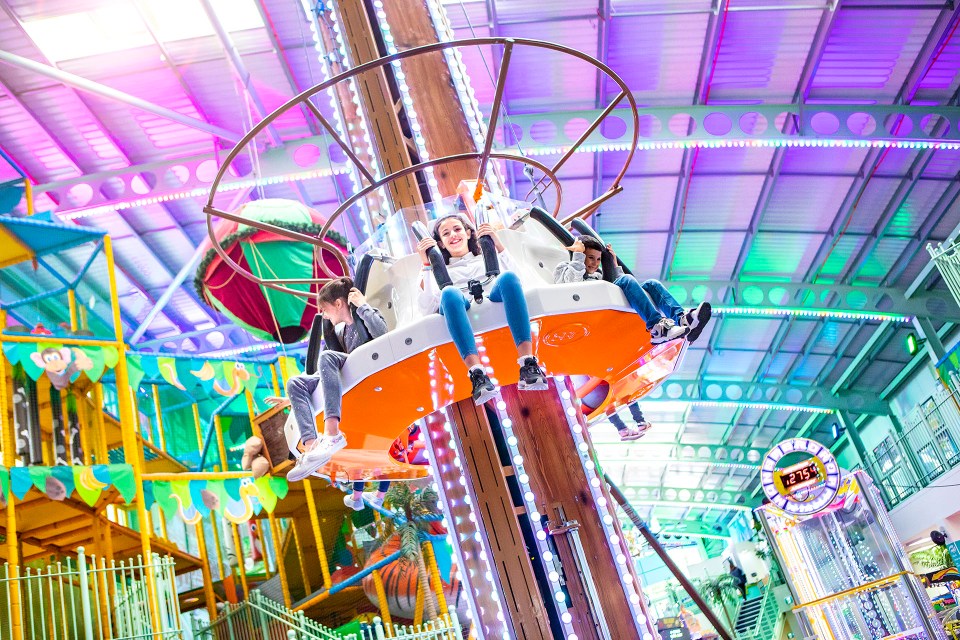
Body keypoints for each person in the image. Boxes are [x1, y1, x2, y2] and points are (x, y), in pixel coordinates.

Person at [417, 213, 547, 404]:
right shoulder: (440, 273)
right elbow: (427, 307)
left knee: (508, 277)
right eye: (446, 233)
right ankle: (477, 374)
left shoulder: (485, 259)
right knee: (449, 292)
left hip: (491, 296)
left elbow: (520, 281)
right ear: (441, 244)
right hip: (459, 303)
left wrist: (497, 242)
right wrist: (427, 263)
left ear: (469, 233)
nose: (453, 234)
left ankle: (528, 362)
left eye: (457, 229)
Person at [286, 277, 389, 482]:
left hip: (370, 372)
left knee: (326, 356)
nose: (324, 315)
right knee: (295, 383)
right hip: (351, 376)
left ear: (339, 304)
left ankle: (332, 434)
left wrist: (363, 306)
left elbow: (384, 335)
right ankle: (311, 448)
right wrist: (294, 399)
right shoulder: (341, 333)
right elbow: (324, 373)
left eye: (324, 309)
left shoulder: (364, 316)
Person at [553, 235, 712, 344]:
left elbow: (616, 287)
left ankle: (682, 319)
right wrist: (578, 256)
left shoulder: (599, 275)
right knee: (627, 279)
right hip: (585, 312)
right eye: (590, 258)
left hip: (609, 308)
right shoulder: (565, 268)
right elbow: (571, 287)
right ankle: (657, 327)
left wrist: (614, 265)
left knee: (652, 284)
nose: (595, 263)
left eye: (599, 259)